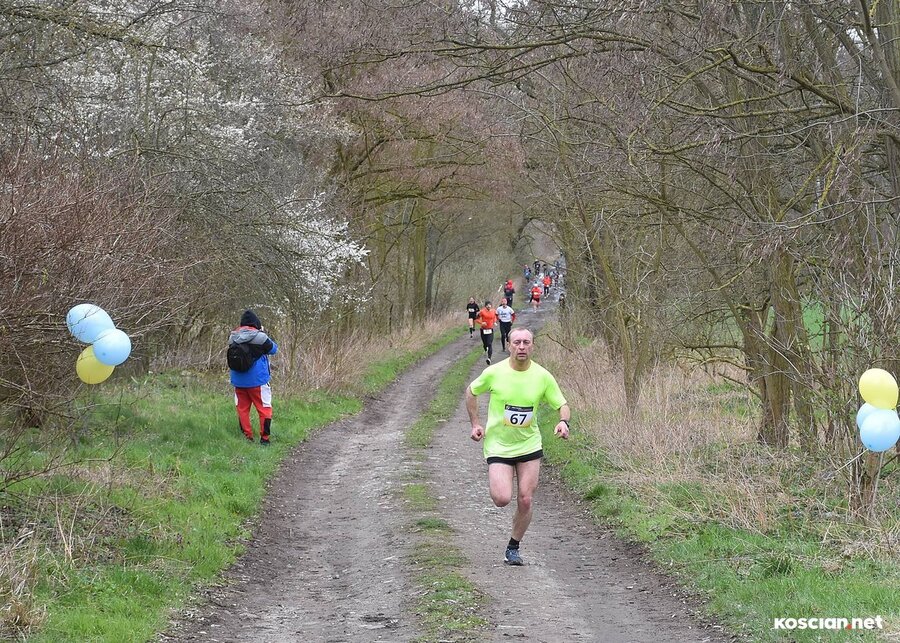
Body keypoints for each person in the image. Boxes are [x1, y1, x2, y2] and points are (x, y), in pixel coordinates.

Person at [465, 327, 571, 566]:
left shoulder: (543, 376)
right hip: (498, 445)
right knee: (502, 498)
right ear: (509, 345)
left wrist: (563, 422)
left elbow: (562, 404)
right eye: (517, 342)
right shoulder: (494, 372)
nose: (521, 346)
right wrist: (475, 423)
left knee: (525, 499)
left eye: (526, 342)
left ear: (532, 346)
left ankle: (513, 547)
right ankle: (501, 481)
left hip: (529, 444)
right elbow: (471, 392)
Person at [229, 309, 278, 445]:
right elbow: (274, 349)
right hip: (258, 381)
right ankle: (265, 439)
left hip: (238, 381)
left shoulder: (233, 337)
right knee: (264, 409)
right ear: (256, 323)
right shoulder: (261, 337)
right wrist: (263, 333)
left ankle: (247, 437)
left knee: (242, 409)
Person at [474, 300, 498, 364]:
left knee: (489, 343)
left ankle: (489, 358)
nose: (489, 306)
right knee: (485, 344)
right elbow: (476, 319)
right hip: (483, 330)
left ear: (491, 305)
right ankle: (485, 349)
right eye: (487, 305)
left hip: (490, 329)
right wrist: (481, 323)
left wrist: (494, 322)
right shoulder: (482, 311)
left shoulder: (493, 311)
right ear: (485, 306)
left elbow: (495, 317)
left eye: (490, 305)